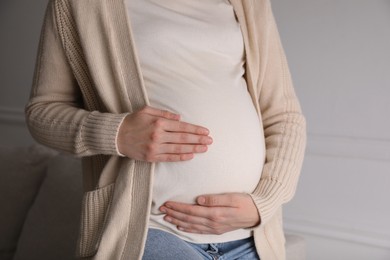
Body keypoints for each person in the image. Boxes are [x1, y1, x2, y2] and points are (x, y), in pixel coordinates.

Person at [25, 0, 306, 259]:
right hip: (148, 229)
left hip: (251, 238)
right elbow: (43, 111)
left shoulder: (249, 3)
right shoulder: (81, 4)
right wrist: (117, 133)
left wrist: (263, 204)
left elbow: (284, 115)